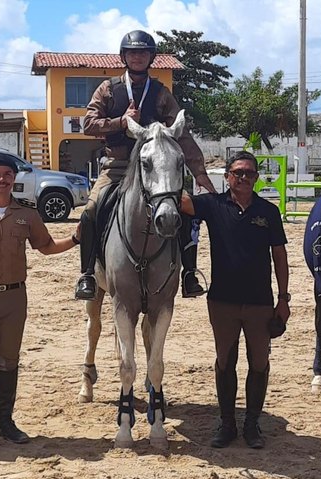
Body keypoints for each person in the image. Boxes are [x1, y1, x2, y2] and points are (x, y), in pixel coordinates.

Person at [74, 29, 217, 301]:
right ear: (124, 57)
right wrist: (120, 121)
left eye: (142, 53)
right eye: (132, 53)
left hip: (155, 168)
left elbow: (181, 133)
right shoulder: (108, 89)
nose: (137, 57)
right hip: (117, 165)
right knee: (90, 210)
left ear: (150, 57)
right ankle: (87, 275)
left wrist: (199, 173)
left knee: (186, 208)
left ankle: (188, 273)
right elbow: (87, 124)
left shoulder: (161, 93)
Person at [0, 154, 79, 448]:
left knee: (9, 360)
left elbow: (45, 246)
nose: (2, 180)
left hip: (14, 298)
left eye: (7, 175)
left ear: (14, 178)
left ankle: (5, 423)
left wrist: (75, 239)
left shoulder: (27, 214)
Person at [180, 151, 290, 449]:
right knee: (225, 361)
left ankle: (252, 424)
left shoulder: (268, 212)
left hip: (259, 303)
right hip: (223, 301)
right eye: (238, 172)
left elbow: (280, 256)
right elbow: (180, 200)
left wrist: (283, 298)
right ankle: (227, 424)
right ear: (227, 176)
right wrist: (187, 167)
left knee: (259, 362)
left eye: (249, 173)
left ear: (256, 178)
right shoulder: (213, 206)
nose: (243, 178)